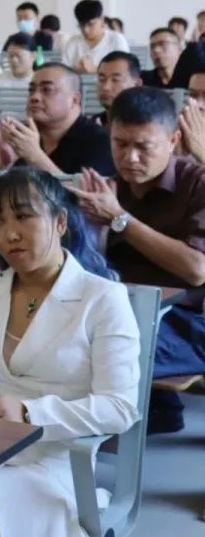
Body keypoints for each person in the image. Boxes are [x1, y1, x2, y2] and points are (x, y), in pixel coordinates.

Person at [0, 166, 139, 537]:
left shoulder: (102, 298)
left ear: (60, 221)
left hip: (52, 460)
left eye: (23, 216)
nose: (9, 233)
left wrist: (29, 413)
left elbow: (120, 408)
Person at [71, 87, 205, 434]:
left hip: (187, 322)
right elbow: (93, 269)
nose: (130, 158)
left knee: (102, 347)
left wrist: (120, 220)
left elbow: (196, 269)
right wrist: (97, 226)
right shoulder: (110, 189)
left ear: (173, 140)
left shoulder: (197, 183)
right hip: (123, 309)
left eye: (144, 147)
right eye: (120, 144)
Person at [0, 63, 115, 176]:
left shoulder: (100, 142)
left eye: (47, 90)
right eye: (31, 90)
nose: (34, 97)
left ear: (74, 99)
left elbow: (85, 193)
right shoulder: (20, 135)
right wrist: (2, 161)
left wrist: (34, 156)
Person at [64, 0, 131, 74]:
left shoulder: (116, 39)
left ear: (102, 19)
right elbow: (63, 71)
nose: (86, 30)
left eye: (91, 24)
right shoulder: (73, 42)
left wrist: (95, 70)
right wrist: (74, 71)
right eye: (82, 25)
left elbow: (123, 71)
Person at [93, 52, 142, 128]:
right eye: (101, 79)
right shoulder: (93, 124)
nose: (106, 87)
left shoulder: (146, 126)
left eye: (115, 80)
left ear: (137, 85)